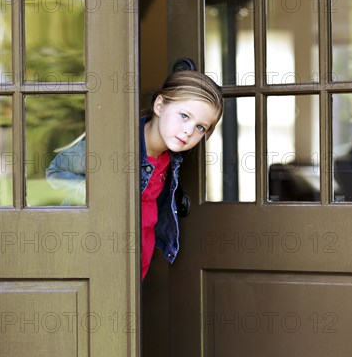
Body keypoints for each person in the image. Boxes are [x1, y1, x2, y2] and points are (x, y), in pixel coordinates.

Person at [46, 71, 223, 279]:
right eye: (184, 116)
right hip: (95, 260)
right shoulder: (113, 146)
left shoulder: (171, 158)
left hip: (136, 267)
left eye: (200, 127)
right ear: (160, 105)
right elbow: (55, 172)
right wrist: (96, 196)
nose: (188, 131)